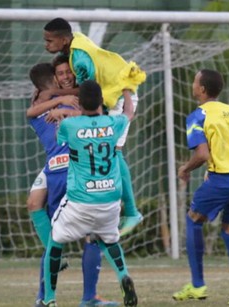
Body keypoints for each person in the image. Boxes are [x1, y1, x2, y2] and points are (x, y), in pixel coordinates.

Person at [42, 17, 146, 236]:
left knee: (115, 152)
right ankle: (123, 211)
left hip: (119, 96)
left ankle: (132, 212)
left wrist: (56, 97)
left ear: (63, 40)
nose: (46, 45)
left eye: (49, 41)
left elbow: (88, 90)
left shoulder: (79, 60)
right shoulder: (77, 41)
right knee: (111, 150)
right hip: (116, 93)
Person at [27, 59, 119, 307]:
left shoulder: (84, 97)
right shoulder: (42, 103)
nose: (66, 76)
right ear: (54, 80)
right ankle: (46, 295)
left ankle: (87, 296)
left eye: (68, 71)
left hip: (81, 167)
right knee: (39, 211)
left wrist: (67, 107)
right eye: (60, 73)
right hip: (59, 167)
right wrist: (59, 101)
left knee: (91, 233)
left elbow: (98, 118)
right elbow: (32, 111)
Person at [40, 80, 138, 307]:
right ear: (102, 101)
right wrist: (125, 88)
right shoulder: (114, 122)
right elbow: (129, 112)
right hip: (110, 200)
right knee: (110, 240)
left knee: (54, 240)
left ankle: (49, 299)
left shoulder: (70, 126)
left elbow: (60, 136)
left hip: (80, 200)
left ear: (80, 102)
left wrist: (61, 115)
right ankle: (123, 276)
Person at [172, 69, 229, 306]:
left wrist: (185, 169)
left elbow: (202, 154)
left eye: (194, 81)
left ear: (201, 89)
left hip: (223, 180)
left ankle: (198, 286)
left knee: (193, 220)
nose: (192, 84)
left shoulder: (198, 115)